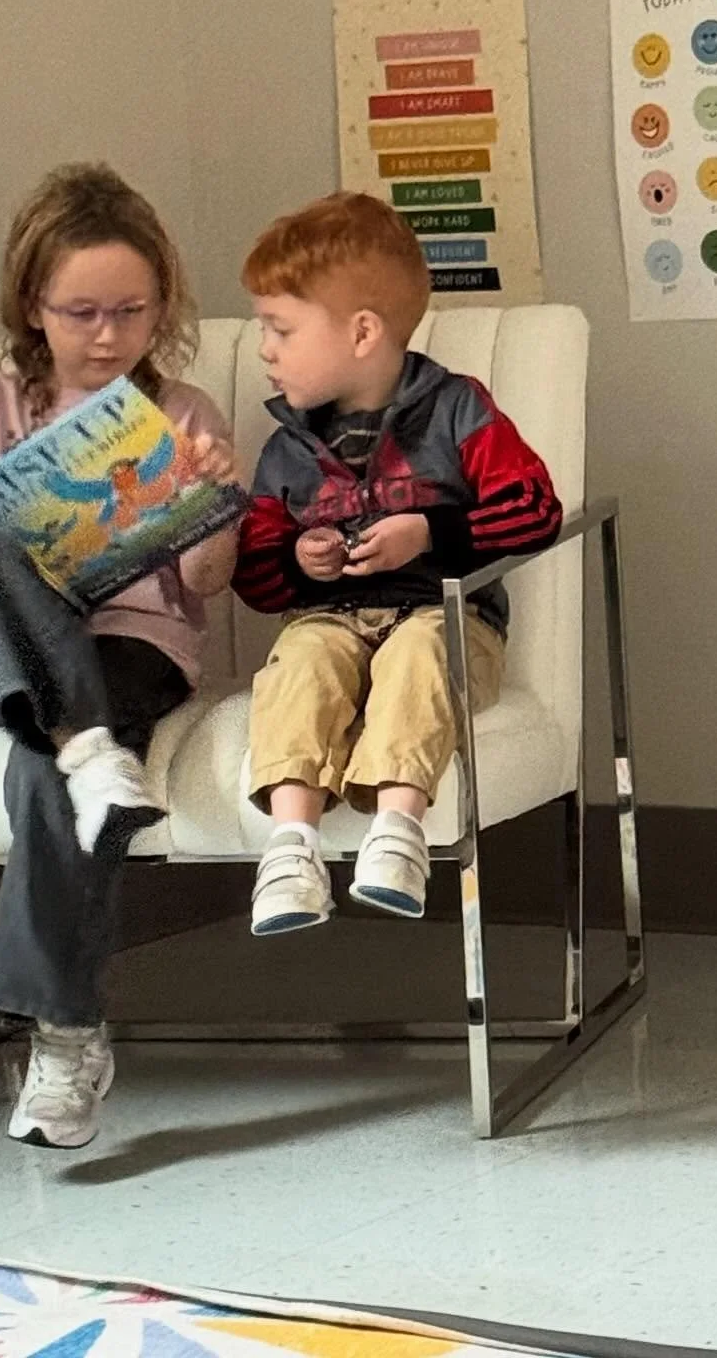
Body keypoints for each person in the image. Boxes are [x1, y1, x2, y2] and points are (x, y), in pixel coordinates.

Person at [0, 163, 238, 1148]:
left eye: (132, 313)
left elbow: (212, 583)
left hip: (131, 648)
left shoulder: (182, 413)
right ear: (32, 307)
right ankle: (93, 750)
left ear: (162, 308)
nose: (107, 337)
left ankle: (64, 1040)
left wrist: (207, 503)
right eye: (82, 313)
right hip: (7, 656)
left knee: (40, 778)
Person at [232, 192, 563, 936]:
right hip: (329, 619)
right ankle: (291, 849)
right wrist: (301, 561)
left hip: (446, 616)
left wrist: (430, 533)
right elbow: (255, 578)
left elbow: (535, 508)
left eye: (281, 329)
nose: (265, 350)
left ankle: (397, 830)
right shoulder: (286, 448)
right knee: (302, 660)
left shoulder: (459, 410)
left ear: (362, 332)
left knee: (419, 652)